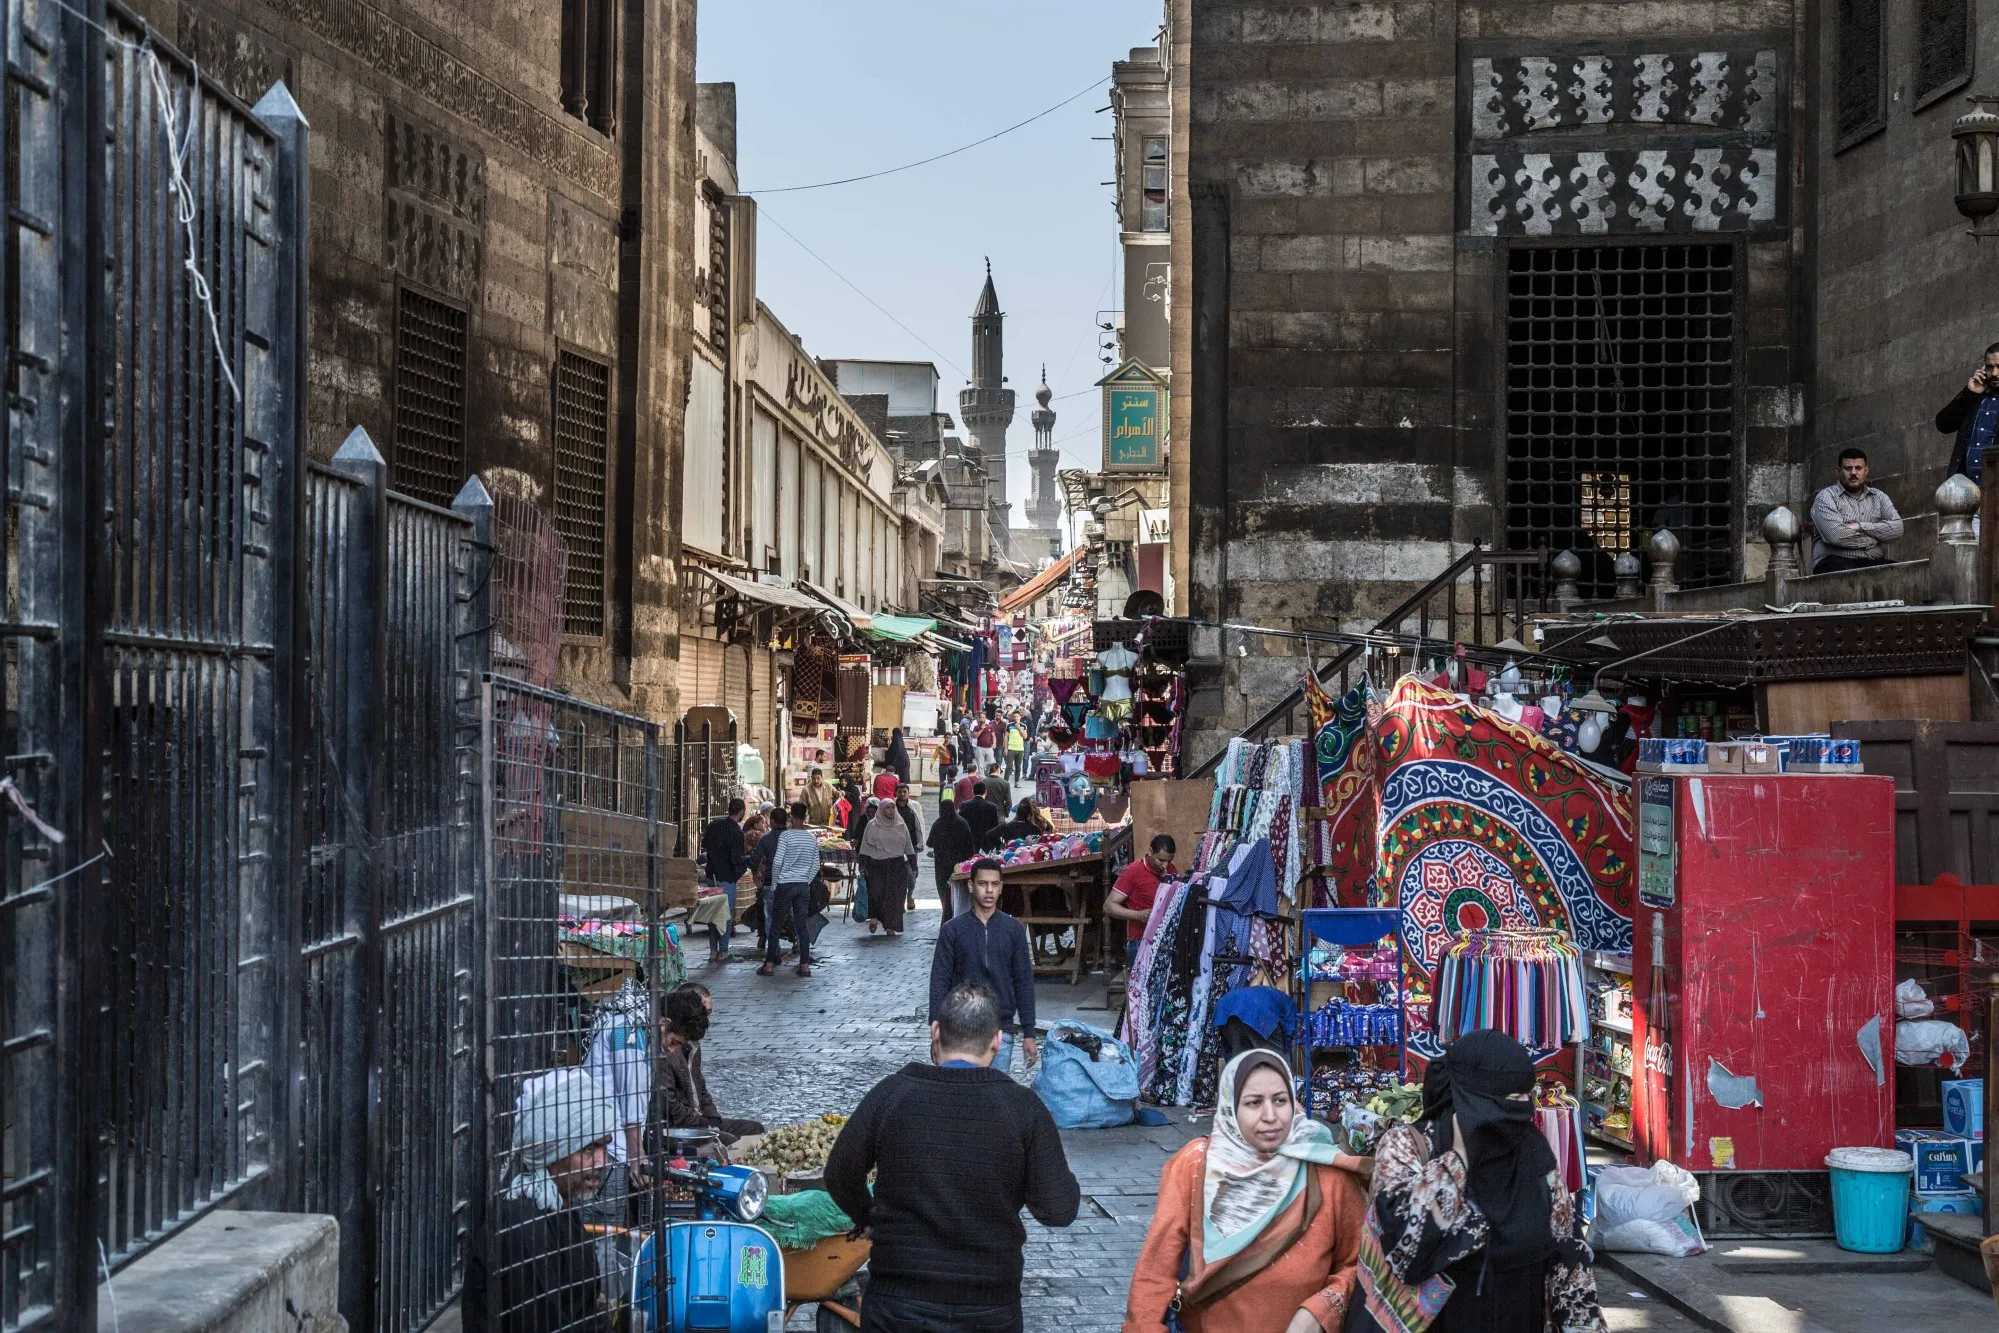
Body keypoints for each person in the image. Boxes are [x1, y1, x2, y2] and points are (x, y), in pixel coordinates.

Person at [824, 982, 1080, 1333]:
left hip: (898, 1301)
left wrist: (867, 1217)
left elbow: (839, 1172)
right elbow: (1059, 1209)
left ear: (936, 1031)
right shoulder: (1023, 1109)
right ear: (997, 1040)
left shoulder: (892, 1094)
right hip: (989, 1305)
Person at [1346, 1029, 1606, 1333]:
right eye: (1511, 1099)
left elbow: (1568, 1260)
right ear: (1473, 1098)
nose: (1523, 1110)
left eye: (1526, 1097)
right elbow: (1407, 1251)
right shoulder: (1408, 1147)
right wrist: (1457, 1159)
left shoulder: (1533, 1153)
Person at [1122, 1050, 1367, 1333]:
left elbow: (1360, 1266)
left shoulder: (1328, 1173)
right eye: (1253, 1103)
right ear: (1230, 1108)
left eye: (1280, 1100)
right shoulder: (1195, 1166)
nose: (1270, 1116)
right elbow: (1156, 1270)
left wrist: (1319, 1311)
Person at [472, 1067, 620, 1332]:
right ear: (553, 1151)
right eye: (588, 1148)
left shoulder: (559, 1207)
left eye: (604, 1146)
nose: (602, 1162)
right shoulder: (525, 1227)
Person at [929, 859, 1037, 1075]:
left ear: (1001, 887)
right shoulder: (953, 930)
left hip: (1000, 1030)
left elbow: (1023, 981)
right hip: (959, 1030)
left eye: (995, 884)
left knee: (993, 1096)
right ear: (971, 886)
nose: (989, 890)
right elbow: (939, 978)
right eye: (983, 884)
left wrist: (1029, 1032)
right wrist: (936, 1025)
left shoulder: (1013, 930)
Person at [657, 983, 765, 1145]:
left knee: (754, 1129)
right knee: (728, 1141)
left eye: (708, 1013)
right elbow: (671, 1103)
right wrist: (704, 1124)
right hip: (681, 1125)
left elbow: (700, 1085)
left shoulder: (693, 1044)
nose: (706, 1019)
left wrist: (712, 1119)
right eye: (703, 1013)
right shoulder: (665, 1051)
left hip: (700, 1118)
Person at [1809, 447, 1904, 573]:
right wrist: (1873, 538)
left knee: (1900, 570)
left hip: (1872, 561)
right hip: (1835, 561)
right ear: (1838, 471)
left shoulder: (1879, 497)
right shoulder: (1826, 497)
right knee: (1843, 573)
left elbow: (1897, 528)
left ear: (1866, 471)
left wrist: (1860, 526)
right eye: (1848, 468)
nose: (1853, 473)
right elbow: (1835, 536)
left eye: (1858, 468)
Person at [759, 804, 821, 977]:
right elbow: (816, 864)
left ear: (792, 818)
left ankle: (769, 964)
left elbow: (778, 862)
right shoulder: (811, 838)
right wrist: (806, 880)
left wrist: (776, 882)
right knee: (801, 924)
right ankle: (804, 966)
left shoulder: (786, 836)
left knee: (776, 924)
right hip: (802, 886)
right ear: (805, 817)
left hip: (785, 884)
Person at [1105, 834, 1178, 976]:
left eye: (1169, 861)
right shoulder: (1132, 872)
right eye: (1161, 860)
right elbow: (1108, 906)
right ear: (1150, 852)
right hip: (1139, 941)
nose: (1165, 865)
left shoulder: (1171, 870)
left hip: (1165, 940)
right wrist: (1138, 915)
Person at [1939, 341, 1999, 486]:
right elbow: (1943, 424)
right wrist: (1969, 393)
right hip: (1965, 492)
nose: (1995, 373)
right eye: (1990, 367)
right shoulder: (1974, 397)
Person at [858, 795, 916, 937]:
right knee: (877, 894)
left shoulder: (900, 825)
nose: (890, 810)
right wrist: (862, 864)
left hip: (897, 866)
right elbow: (865, 846)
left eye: (892, 807)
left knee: (895, 897)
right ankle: (875, 918)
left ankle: (891, 926)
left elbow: (908, 845)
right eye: (888, 808)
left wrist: (914, 865)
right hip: (877, 865)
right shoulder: (872, 825)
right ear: (882, 809)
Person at [700, 798, 750, 929]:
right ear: (741, 812)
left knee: (713, 913)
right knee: (726, 916)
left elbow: (704, 844)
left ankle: (713, 948)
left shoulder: (714, 825)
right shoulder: (737, 832)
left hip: (712, 875)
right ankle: (723, 948)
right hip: (727, 878)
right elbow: (736, 859)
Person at [926, 798, 978, 923]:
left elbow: (929, 843)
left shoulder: (938, 824)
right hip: (959, 865)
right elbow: (970, 845)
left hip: (941, 865)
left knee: (944, 890)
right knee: (959, 890)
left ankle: (947, 914)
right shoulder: (962, 823)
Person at [894, 786, 924, 912]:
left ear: (908, 793)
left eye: (904, 792)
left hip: (911, 844)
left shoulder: (914, 806)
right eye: (899, 791)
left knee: (912, 873)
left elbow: (920, 823)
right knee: (897, 873)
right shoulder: (892, 806)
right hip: (895, 845)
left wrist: (921, 841)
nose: (902, 794)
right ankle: (899, 899)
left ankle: (910, 895)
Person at [959, 780, 1001, 849]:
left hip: (970, 841)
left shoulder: (964, 805)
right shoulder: (992, 807)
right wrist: (997, 845)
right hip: (986, 842)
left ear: (973, 792)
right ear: (985, 792)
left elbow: (962, 824)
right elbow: (995, 826)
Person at [1004, 716, 1026, 782]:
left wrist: (1019, 728)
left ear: (1020, 717)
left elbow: (1025, 736)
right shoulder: (1009, 725)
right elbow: (1006, 737)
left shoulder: (1023, 726)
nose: (1016, 718)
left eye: (1017, 716)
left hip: (1020, 749)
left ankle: (1016, 782)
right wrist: (1006, 748)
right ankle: (1005, 781)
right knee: (1009, 767)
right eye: (1015, 716)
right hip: (1011, 748)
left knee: (1018, 767)